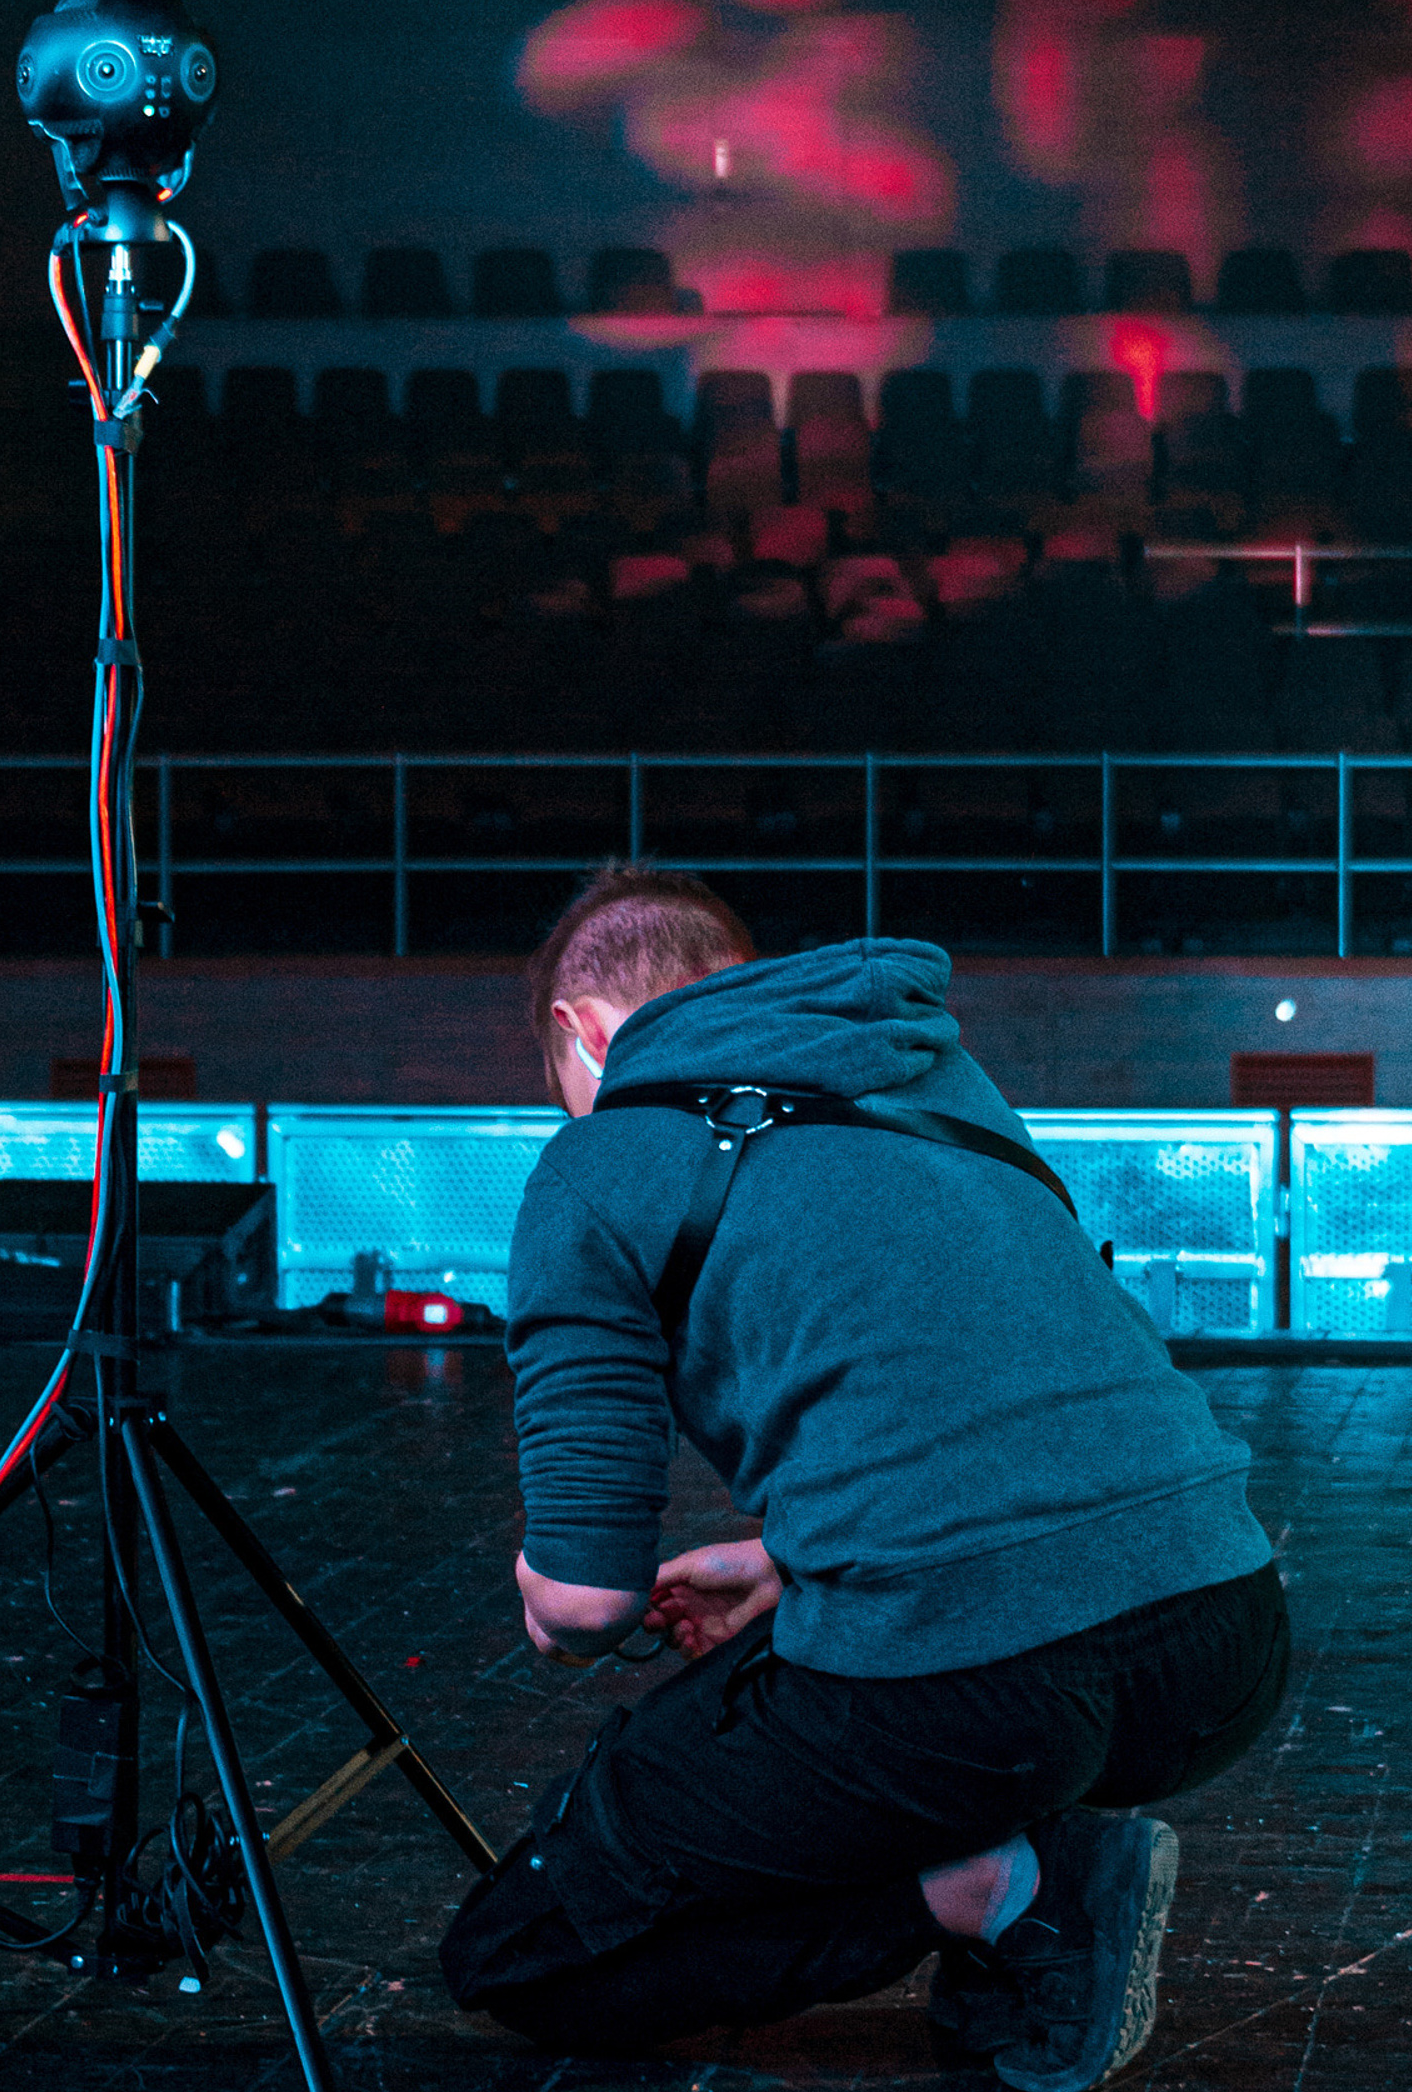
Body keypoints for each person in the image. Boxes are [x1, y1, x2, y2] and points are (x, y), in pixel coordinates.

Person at [440, 865, 1288, 2090]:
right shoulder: (934, 1073)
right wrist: (790, 1559)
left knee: (522, 1952)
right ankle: (1010, 1867)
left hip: (974, 1688)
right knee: (911, 1728)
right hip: (1223, 1637)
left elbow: (585, 1605)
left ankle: (988, 1887)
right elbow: (988, 1379)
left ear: (578, 1032)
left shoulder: (597, 1162)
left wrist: (551, 1585)